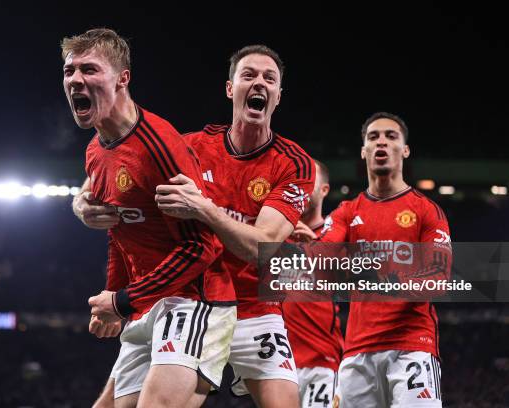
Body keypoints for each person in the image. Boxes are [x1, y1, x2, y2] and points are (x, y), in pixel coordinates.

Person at [62, 28, 236, 408]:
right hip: (146, 302)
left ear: (122, 78)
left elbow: (202, 248)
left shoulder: (158, 147)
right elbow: (119, 232)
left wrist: (123, 300)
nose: (75, 80)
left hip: (195, 300)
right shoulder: (95, 150)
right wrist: (113, 295)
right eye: (69, 71)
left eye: (89, 70)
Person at [154, 45, 316, 408]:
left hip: (258, 308)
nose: (259, 82)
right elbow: (132, 164)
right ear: (231, 89)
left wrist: (204, 209)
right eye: (249, 75)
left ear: (277, 96)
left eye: (269, 79)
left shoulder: (295, 164)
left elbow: (263, 249)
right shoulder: (191, 147)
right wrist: (86, 195)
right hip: (196, 303)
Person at [312, 112, 452, 408]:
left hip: (412, 347)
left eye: (391, 136)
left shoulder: (427, 211)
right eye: (373, 137)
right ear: (364, 151)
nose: (382, 143)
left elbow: (438, 278)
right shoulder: (346, 212)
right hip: (357, 353)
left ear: (405, 150)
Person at [282, 160, 344, 407]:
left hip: (322, 362)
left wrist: (314, 250)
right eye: (298, 183)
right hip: (279, 366)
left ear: (324, 190)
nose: (302, 190)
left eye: (310, 183)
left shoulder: (336, 234)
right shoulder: (274, 235)